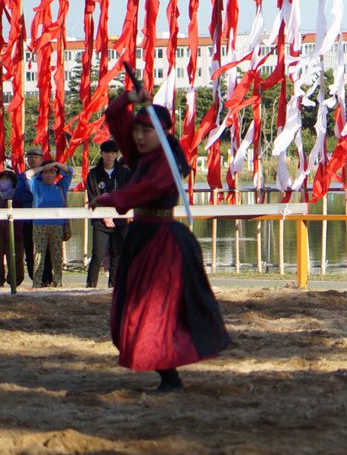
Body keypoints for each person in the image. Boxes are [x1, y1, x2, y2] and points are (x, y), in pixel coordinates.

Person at [89, 89, 230, 393]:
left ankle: (170, 376)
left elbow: (142, 191)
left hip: (163, 243)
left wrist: (107, 198)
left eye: (146, 130)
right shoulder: (140, 153)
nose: (138, 136)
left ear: (162, 132)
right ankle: (168, 375)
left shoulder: (167, 162)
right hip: (141, 236)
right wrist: (129, 96)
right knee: (132, 308)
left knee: (155, 311)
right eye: (137, 129)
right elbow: (114, 116)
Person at [85, 140, 132, 288]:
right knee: (98, 255)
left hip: (119, 219)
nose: (110, 156)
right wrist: (104, 216)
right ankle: (90, 287)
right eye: (107, 152)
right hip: (100, 221)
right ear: (102, 153)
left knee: (116, 255)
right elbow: (93, 196)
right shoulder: (93, 174)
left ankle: (114, 287)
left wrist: (116, 214)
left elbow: (127, 195)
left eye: (113, 152)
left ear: (116, 154)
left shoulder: (124, 173)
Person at [26, 159, 73, 288]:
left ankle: (58, 282)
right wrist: (43, 167)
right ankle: (36, 284)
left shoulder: (61, 186)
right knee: (38, 255)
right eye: (46, 172)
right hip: (39, 225)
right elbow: (27, 175)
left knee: (56, 255)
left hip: (57, 225)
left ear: (56, 174)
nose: (48, 175)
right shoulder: (36, 185)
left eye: (52, 172)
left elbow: (69, 172)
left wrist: (56, 164)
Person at [13, 146, 43, 282]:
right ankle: (33, 277)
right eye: (30, 157)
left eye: (36, 157)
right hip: (28, 220)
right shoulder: (22, 176)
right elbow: (19, 195)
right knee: (30, 249)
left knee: (44, 250)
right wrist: (35, 195)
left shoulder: (46, 174)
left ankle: (46, 278)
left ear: (41, 159)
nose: (33, 159)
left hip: (44, 219)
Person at [0, 169, 22, 288]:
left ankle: (15, 281)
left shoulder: (18, 194)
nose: (4, 182)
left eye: (7, 180)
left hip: (16, 231)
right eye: (2, 180)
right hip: (0, 231)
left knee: (16, 256)